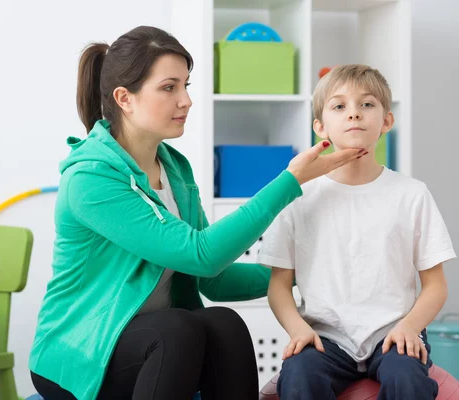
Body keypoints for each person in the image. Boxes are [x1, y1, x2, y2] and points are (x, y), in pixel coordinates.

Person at [28, 26, 366, 400]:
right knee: (177, 329)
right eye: (169, 87)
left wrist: (303, 272)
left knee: (223, 323)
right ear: (125, 98)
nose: (186, 100)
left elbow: (213, 280)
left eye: (186, 85)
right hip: (80, 352)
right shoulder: (91, 179)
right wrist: (291, 180)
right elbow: (201, 254)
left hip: (153, 343)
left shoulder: (175, 168)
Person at [258, 64, 456, 400]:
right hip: (325, 337)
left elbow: (435, 284)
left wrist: (409, 327)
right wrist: (298, 329)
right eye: (339, 106)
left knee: (406, 378)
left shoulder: (411, 194)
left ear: (387, 121)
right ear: (320, 126)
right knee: (300, 374)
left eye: (366, 105)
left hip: (393, 333)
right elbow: (278, 285)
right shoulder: (298, 197)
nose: (354, 115)